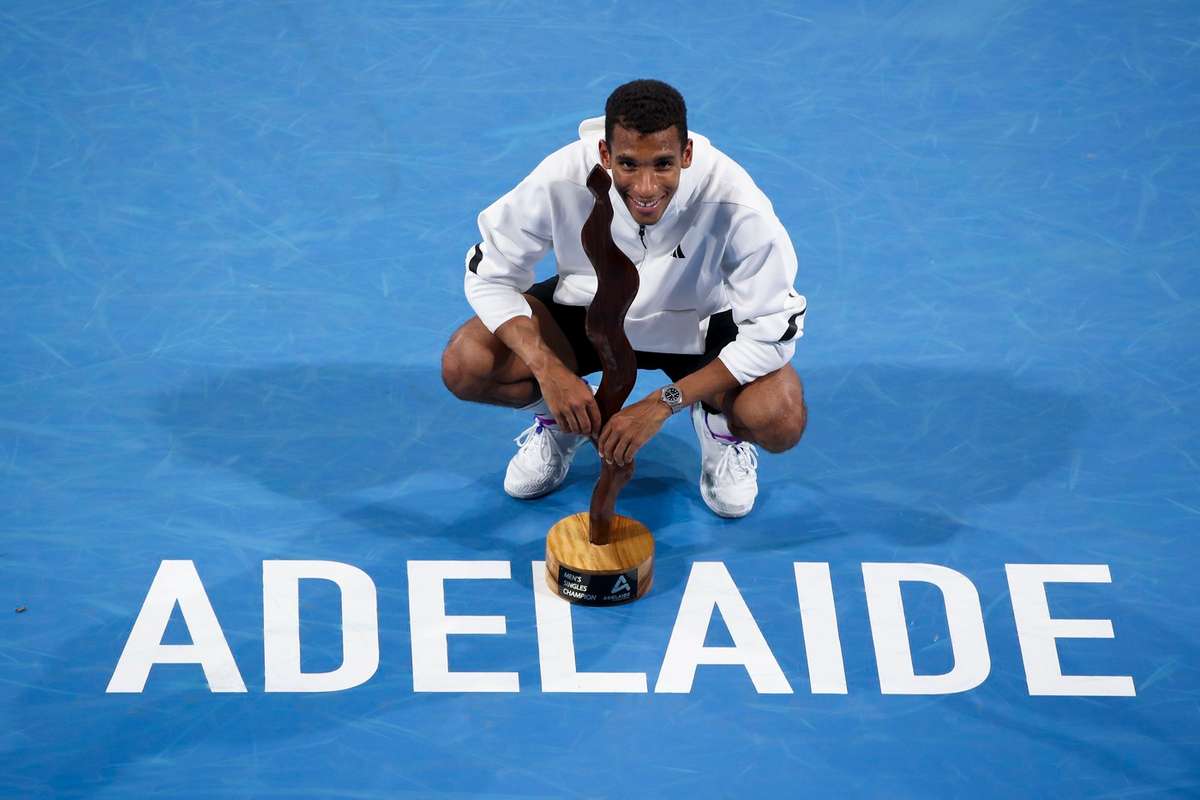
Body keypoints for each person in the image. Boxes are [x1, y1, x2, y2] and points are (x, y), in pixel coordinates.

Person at [441, 79, 807, 518]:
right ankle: (565, 418)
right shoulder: (560, 178)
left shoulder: (735, 202)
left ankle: (718, 429)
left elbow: (773, 333)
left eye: (664, 164)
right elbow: (491, 275)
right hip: (587, 315)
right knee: (468, 363)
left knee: (778, 416)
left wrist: (663, 402)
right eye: (629, 164)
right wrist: (549, 370)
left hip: (700, 325)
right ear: (605, 154)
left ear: (686, 155)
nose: (647, 187)